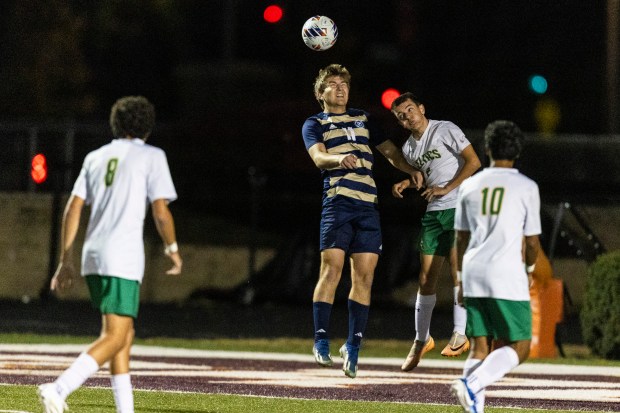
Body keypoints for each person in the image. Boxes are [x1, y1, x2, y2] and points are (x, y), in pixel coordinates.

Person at [38, 95, 182, 413]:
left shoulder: (95, 157)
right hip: (123, 255)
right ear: (147, 126)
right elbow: (160, 211)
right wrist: (172, 248)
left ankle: (125, 409)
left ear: (115, 124)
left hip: (94, 254)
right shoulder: (152, 156)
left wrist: (66, 259)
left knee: (122, 333)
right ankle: (59, 388)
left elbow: (73, 207)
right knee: (117, 335)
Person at [302, 64, 422, 379]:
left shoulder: (364, 118)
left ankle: (353, 347)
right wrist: (338, 158)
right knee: (331, 270)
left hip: (368, 207)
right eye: (332, 83)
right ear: (321, 93)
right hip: (338, 204)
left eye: (344, 82)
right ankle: (321, 339)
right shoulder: (315, 123)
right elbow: (318, 158)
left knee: (365, 278)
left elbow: (390, 152)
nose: (340, 88)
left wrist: (409, 169)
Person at [450, 120, 541, 413]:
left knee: (480, 345)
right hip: (506, 273)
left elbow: (460, 239)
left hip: (474, 270)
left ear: (487, 148)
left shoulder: (470, 185)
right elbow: (532, 243)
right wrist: (528, 271)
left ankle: (473, 407)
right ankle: (471, 384)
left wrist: (461, 278)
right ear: (518, 151)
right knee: (520, 346)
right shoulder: (527, 187)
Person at [391, 92, 481, 370]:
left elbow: (474, 162)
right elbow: (427, 177)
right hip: (434, 214)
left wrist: (446, 188)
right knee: (426, 277)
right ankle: (421, 339)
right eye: (401, 115)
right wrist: (407, 183)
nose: (407, 116)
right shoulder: (408, 149)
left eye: (409, 109)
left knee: (457, 270)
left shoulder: (445, 129)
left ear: (421, 107)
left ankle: (459, 333)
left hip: (458, 208)